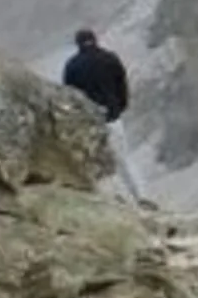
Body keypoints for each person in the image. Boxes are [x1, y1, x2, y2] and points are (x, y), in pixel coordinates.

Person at [62, 29, 144, 201]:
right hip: (113, 118)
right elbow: (122, 85)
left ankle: (113, 198)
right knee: (124, 160)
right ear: (95, 40)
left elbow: (69, 94)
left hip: (89, 122)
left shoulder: (72, 66)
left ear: (77, 44)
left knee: (99, 164)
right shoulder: (110, 58)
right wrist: (119, 107)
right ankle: (141, 196)